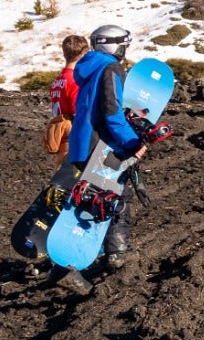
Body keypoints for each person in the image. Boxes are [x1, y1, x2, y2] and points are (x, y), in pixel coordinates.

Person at [58, 23, 152, 293]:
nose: (125, 50)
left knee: (99, 199)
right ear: (113, 45)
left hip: (81, 143)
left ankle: (112, 253)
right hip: (98, 145)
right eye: (123, 44)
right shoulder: (111, 68)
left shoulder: (89, 67)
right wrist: (133, 143)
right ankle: (74, 265)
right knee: (108, 199)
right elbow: (112, 113)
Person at [42, 35, 88, 164]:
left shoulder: (58, 80)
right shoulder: (75, 80)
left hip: (59, 131)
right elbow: (77, 112)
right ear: (84, 54)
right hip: (71, 136)